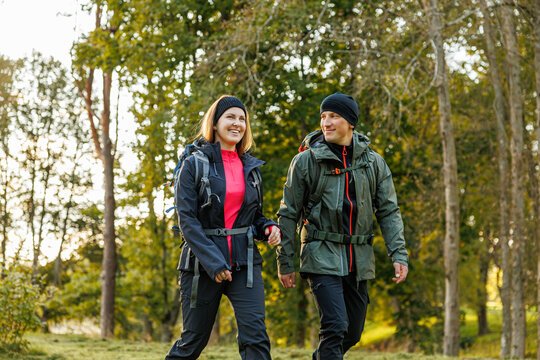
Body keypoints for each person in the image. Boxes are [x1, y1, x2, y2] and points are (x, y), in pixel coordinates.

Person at [276, 92, 408, 359]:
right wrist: (285, 261)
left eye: (334, 116)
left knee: (353, 332)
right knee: (334, 326)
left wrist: (398, 254)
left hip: (359, 259)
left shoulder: (374, 163)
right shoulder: (306, 161)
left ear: (350, 122)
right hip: (319, 252)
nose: (326, 122)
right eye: (323, 116)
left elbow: (389, 211)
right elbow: (288, 214)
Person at [166, 95, 281, 360]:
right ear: (215, 123)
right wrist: (214, 263)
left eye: (242, 119)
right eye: (230, 117)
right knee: (194, 339)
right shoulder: (193, 164)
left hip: (245, 264)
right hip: (202, 265)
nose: (237, 124)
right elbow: (188, 222)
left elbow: (254, 216)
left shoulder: (251, 167)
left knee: (256, 337)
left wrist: (268, 228)